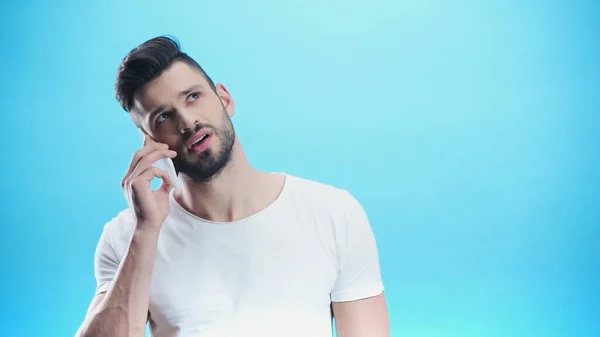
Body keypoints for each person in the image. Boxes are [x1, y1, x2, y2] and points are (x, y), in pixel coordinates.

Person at [75, 35, 389, 337]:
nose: (187, 121)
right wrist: (145, 232)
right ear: (150, 142)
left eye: (193, 97)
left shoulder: (334, 214)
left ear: (225, 99)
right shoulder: (126, 237)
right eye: (164, 117)